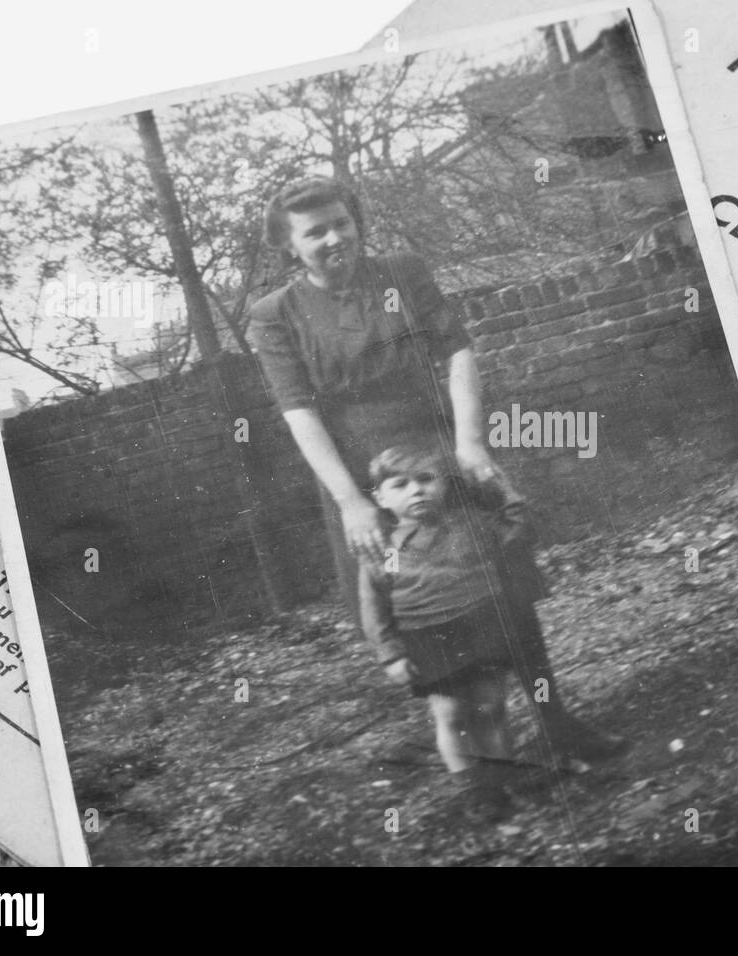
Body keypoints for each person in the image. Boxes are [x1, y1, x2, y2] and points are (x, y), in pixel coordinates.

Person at [247, 175, 627, 764]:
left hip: (440, 451)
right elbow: (299, 413)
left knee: (502, 582)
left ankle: (556, 724)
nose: (333, 238)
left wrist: (472, 445)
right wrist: (352, 501)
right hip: (368, 476)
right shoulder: (275, 315)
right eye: (315, 232)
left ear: (357, 223)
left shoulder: (401, 271)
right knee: (418, 596)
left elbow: (457, 350)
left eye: (341, 223)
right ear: (289, 245)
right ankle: (474, 758)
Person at [357, 444, 524, 820]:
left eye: (425, 480)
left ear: (445, 485)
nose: (416, 490)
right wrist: (392, 654)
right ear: (381, 498)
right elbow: (375, 606)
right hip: (426, 636)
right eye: (400, 484)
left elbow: (517, 531)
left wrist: (505, 491)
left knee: (492, 705)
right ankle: (473, 789)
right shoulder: (386, 548)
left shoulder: (472, 524)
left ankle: (499, 780)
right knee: (450, 714)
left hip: (482, 624)